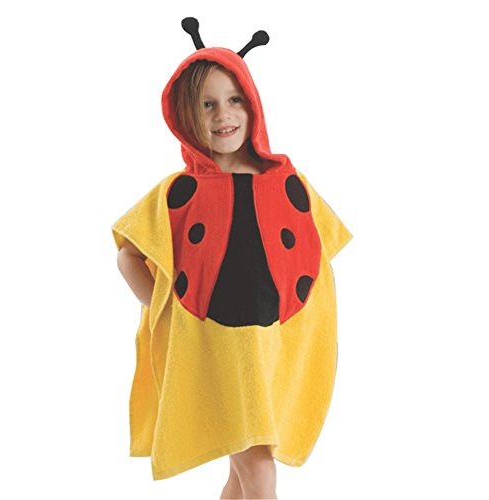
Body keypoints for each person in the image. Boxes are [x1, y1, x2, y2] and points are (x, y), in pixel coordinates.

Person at [112, 17, 352, 499]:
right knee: (259, 470)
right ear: (186, 115)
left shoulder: (288, 181)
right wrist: (167, 312)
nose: (224, 114)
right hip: (215, 348)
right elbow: (128, 255)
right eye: (208, 104)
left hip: (267, 348)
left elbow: (319, 253)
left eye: (234, 99)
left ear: (253, 104)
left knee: (241, 474)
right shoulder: (178, 192)